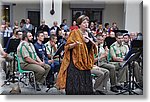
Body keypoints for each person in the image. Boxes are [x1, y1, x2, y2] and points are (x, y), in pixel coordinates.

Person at [56, 15, 97, 95]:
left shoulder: (89, 34)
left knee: (85, 83)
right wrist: (74, 44)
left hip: (85, 62)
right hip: (75, 62)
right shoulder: (74, 33)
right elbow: (67, 46)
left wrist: (89, 42)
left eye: (87, 22)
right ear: (79, 24)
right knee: (75, 84)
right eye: (84, 22)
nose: (86, 24)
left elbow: (91, 49)